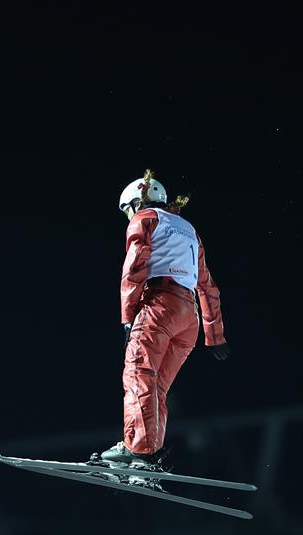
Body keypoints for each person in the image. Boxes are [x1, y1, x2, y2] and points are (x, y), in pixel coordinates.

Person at [99, 169, 231, 468]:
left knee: (138, 375)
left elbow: (134, 268)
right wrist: (215, 336)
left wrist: (127, 317)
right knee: (156, 386)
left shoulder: (145, 218)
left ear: (137, 202)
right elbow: (207, 286)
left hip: (160, 305)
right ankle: (146, 451)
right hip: (189, 317)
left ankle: (141, 454)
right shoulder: (188, 229)